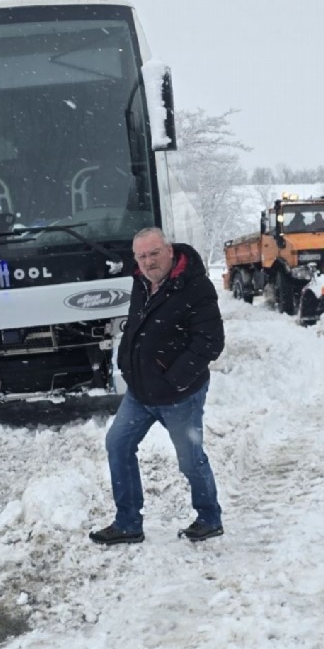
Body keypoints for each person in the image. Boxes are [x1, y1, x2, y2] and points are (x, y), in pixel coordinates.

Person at [89, 226, 225, 546]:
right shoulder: (141, 282)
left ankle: (209, 517)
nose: (148, 262)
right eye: (141, 256)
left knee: (190, 460)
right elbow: (136, 326)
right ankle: (128, 523)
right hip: (140, 392)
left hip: (180, 396)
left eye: (153, 254)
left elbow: (211, 343)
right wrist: (126, 362)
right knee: (118, 445)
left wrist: (173, 378)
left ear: (168, 250)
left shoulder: (196, 287)